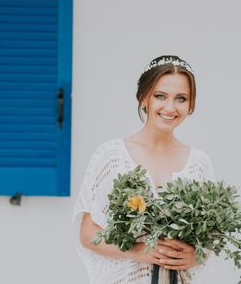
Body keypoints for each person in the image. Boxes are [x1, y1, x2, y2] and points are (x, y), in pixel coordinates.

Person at [73, 55, 215, 284]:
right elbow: (88, 234)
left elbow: (210, 240)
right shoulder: (111, 156)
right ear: (143, 98)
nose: (170, 107)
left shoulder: (199, 163)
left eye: (181, 98)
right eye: (160, 96)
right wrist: (139, 250)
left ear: (191, 105)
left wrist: (195, 255)